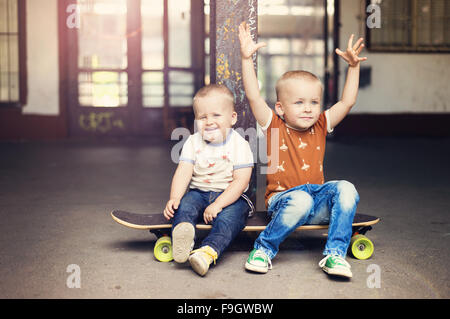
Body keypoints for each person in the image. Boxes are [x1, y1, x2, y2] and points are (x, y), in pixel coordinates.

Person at [238, 21, 367, 278]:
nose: (308, 108)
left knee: (346, 187)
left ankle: (335, 255)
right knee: (301, 198)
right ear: (280, 108)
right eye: (299, 102)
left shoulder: (320, 124)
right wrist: (246, 58)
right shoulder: (273, 125)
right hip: (284, 201)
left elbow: (347, 101)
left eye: (314, 102)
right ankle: (263, 249)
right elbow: (253, 96)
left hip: (316, 201)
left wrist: (353, 67)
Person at [163, 84, 254, 276]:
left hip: (231, 196)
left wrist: (218, 204)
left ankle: (207, 252)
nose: (209, 121)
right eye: (202, 117)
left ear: (232, 118)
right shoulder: (192, 141)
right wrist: (175, 197)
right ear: (196, 120)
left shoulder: (240, 144)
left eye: (216, 115)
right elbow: (183, 171)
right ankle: (182, 237)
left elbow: (240, 181)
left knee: (229, 219)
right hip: (198, 193)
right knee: (183, 207)